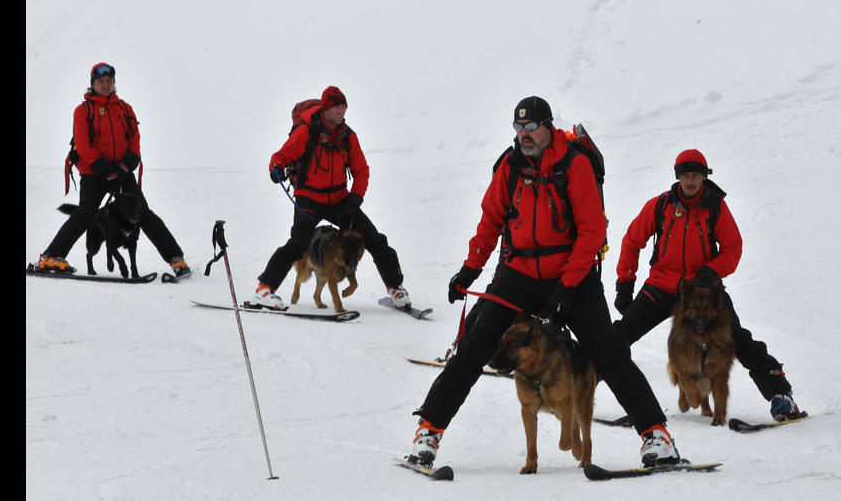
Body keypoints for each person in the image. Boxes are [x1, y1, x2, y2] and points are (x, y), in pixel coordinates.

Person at [406, 96, 681, 469]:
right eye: (518, 128)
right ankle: (428, 433)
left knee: (608, 352)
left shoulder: (574, 163)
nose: (524, 135)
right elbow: (491, 220)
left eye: (531, 127)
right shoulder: (511, 165)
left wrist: (566, 289)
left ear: (548, 127)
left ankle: (657, 437)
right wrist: (470, 270)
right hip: (518, 274)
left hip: (573, 272)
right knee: (473, 348)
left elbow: (591, 230)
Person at [613, 149, 802, 421]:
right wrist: (625, 284)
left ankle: (781, 397)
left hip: (703, 292)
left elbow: (732, 248)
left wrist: (709, 273)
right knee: (616, 338)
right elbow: (632, 241)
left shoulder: (715, 207)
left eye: (696, 175)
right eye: (686, 175)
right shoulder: (660, 206)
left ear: (704, 177)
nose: (691, 181)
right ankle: (577, 390)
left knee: (738, 339)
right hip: (661, 287)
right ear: (678, 177)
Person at [253, 86, 410, 310]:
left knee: (375, 240)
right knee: (298, 246)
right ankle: (264, 289)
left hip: (340, 200)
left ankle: (396, 289)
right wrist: (276, 168)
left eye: (344, 107)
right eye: (337, 106)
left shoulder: (348, 136)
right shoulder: (307, 132)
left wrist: (354, 200)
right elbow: (281, 155)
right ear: (326, 107)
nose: (341, 111)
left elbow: (361, 171)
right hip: (308, 199)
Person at [35, 63, 189, 276]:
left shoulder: (125, 109)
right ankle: (51, 257)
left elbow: (134, 141)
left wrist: (124, 167)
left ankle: (176, 259)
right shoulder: (83, 111)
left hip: (122, 172)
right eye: (101, 81)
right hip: (94, 172)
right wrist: (104, 170)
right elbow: (83, 144)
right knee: (86, 214)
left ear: (114, 83)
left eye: (109, 81)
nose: (106, 84)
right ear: (93, 84)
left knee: (143, 214)